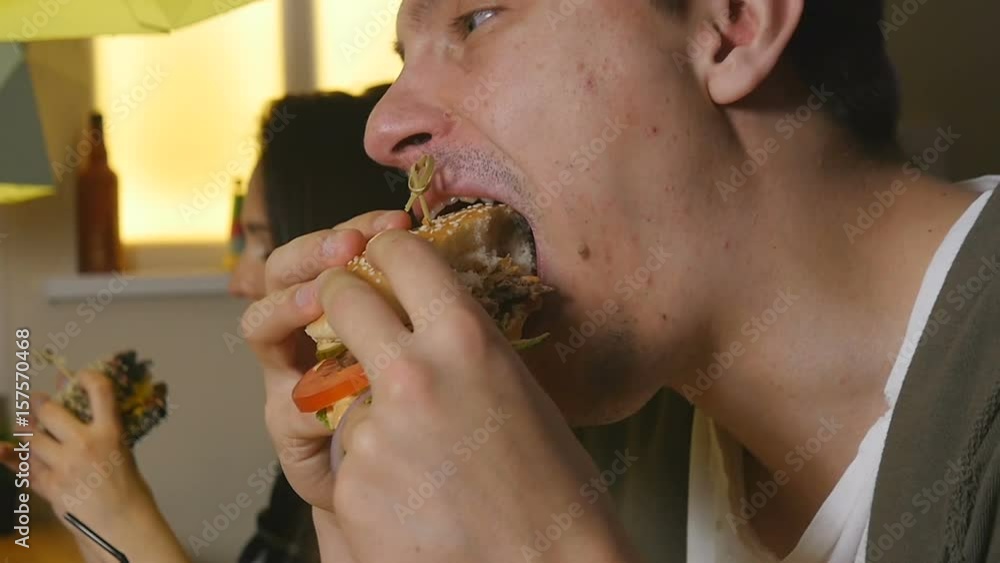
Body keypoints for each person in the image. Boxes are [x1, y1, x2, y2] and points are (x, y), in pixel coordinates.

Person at [244, 1, 1000, 563]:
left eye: (475, 20)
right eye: (404, 54)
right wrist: (355, 521)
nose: (382, 128)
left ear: (734, 21)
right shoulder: (568, 430)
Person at [0, 86, 402, 563]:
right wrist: (88, 502)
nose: (241, 282)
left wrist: (118, 513)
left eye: (262, 241)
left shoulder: (395, 451)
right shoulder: (310, 447)